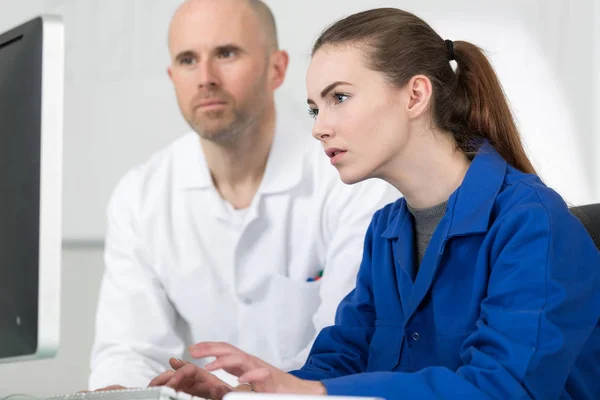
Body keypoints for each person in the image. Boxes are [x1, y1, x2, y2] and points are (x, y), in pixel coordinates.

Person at [147, 7, 600, 400]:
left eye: (339, 98)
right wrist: (242, 394)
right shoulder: (387, 230)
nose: (319, 128)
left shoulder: (531, 223)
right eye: (313, 108)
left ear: (415, 95)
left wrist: (315, 392)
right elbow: (341, 363)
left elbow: (504, 390)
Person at [88, 0, 398, 391]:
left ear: (277, 68)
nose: (206, 77)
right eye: (187, 59)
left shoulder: (350, 182)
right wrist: (119, 393)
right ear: (172, 75)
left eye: (227, 53)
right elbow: (128, 351)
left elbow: (347, 352)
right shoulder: (141, 196)